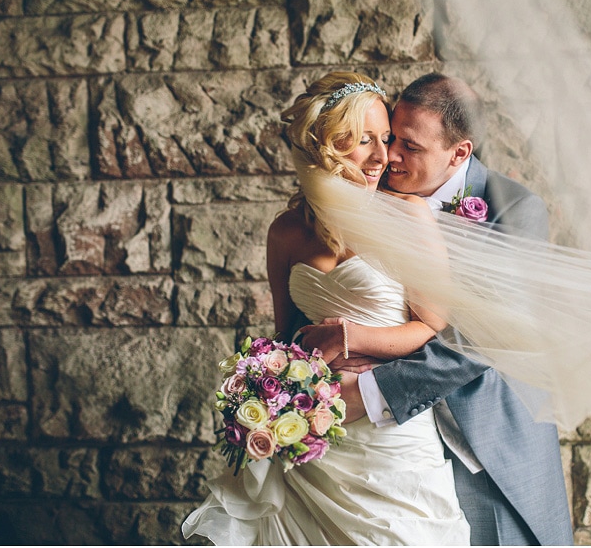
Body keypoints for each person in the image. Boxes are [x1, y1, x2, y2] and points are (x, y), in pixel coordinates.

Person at [182, 72, 470, 545]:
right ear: (326, 146)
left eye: (387, 139)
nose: (383, 156)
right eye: (364, 141)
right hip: (314, 439)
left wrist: (351, 338)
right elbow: (282, 336)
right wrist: (264, 391)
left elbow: (431, 328)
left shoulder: (408, 217)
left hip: (390, 438)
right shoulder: (286, 232)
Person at [303, 73, 574, 545]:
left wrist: (364, 394)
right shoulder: (370, 192)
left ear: (459, 154)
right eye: (391, 138)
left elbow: (480, 339)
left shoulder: (515, 210)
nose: (390, 157)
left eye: (409, 146)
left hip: (482, 447)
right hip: (384, 457)